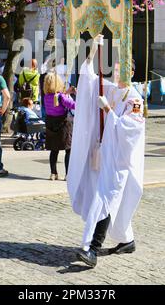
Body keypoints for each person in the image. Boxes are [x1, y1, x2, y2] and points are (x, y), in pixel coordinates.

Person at [67, 44, 145, 268]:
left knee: (106, 201)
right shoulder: (113, 90)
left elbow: (131, 130)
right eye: (116, 70)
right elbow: (90, 82)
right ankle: (127, 240)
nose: (117, 74)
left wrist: (108, 112)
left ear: (131, 73)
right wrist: (91, 51)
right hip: (104, 156)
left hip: (119, 161)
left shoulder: (134, 99)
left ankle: (91, 249)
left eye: (123, 71)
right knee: (103, 200)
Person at [44, 72, 76, 181]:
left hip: (51, 123)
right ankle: (68, 174)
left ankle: (53, 173)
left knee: (54, 150)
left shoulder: (47, 96)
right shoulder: (61, 97)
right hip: (63, 124)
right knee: (68, 149)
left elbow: (56, 100)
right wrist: (76, 95)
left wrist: (66, 93)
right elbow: (72, 105)